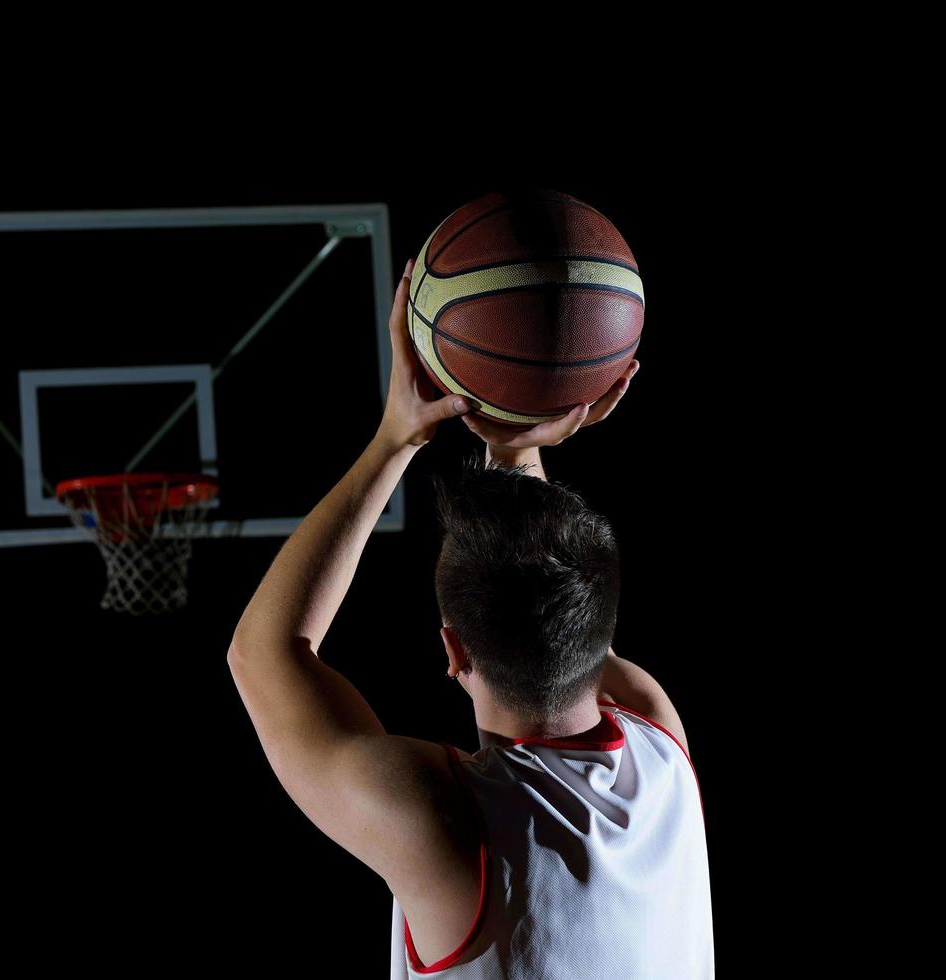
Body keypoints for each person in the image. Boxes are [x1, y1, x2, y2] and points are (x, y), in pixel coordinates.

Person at [227, 259, 712, 978]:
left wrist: (403, 434)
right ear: (595, 622)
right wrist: (512, 447)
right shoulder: (657, 743)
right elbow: (269, 654)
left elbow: (260, 654)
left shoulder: (446, 826)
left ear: (452, 650)